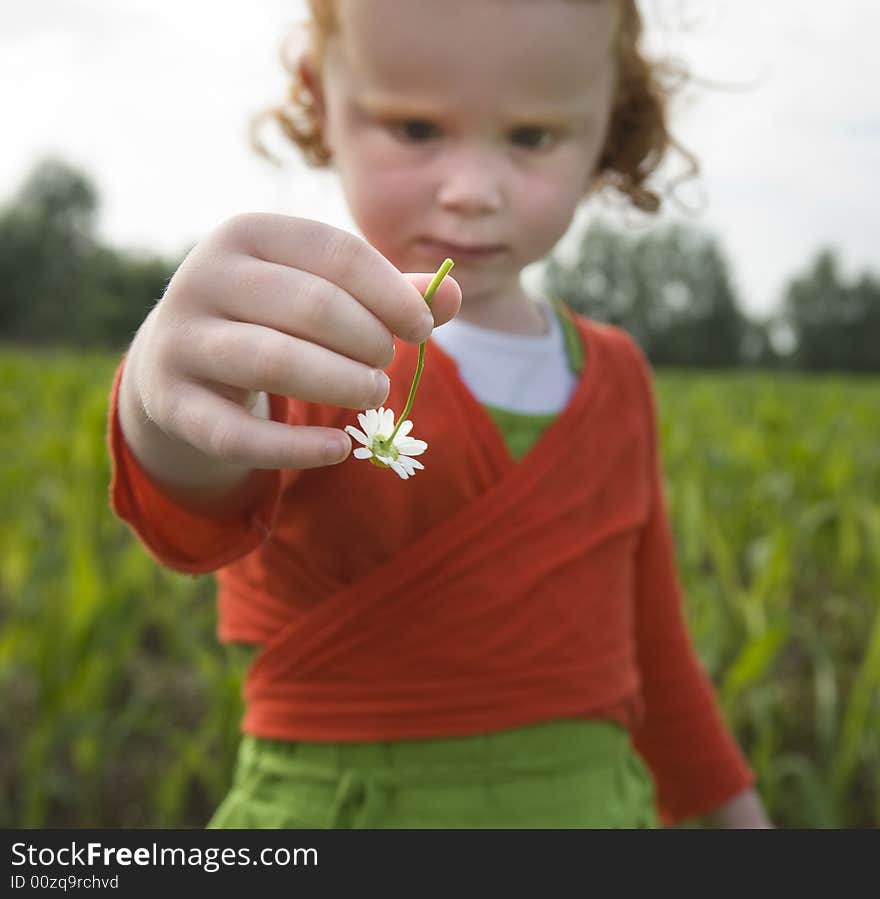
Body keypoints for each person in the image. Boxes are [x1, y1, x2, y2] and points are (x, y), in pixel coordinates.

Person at [107, 0, 772, 828]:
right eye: (416, 129)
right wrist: (163, 396)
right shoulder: (304, 337)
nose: (471, 192)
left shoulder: (619, 377)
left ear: (611, 120)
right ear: (323, 102)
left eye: (531, 136)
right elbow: (192, 505)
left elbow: (656, 661)